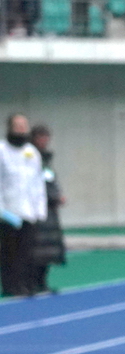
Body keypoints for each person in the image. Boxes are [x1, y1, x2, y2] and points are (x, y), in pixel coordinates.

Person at [0, 114, 48, 298]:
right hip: (8, 212)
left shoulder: (32, 152)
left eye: (24, 125)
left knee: (27, 252)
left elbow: (37, 183)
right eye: (17, 125)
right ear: (10, 127)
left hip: (29, 211)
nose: (21, 129)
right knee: (9, 252)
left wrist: (39, 210)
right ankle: (11, 286)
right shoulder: (2, 150)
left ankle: (26, 284)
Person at [28, 125, 65, 295]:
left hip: (50, 210)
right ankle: (33, 283)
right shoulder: (30, 157)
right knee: (36, 249)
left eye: (46, 137)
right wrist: (51, 197)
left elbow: (50, 180)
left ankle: (42, 282)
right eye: (41, 137)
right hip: (37, 209)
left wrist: (57, 196)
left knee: (48, 250)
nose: (44, 141)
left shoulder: (47, 159)